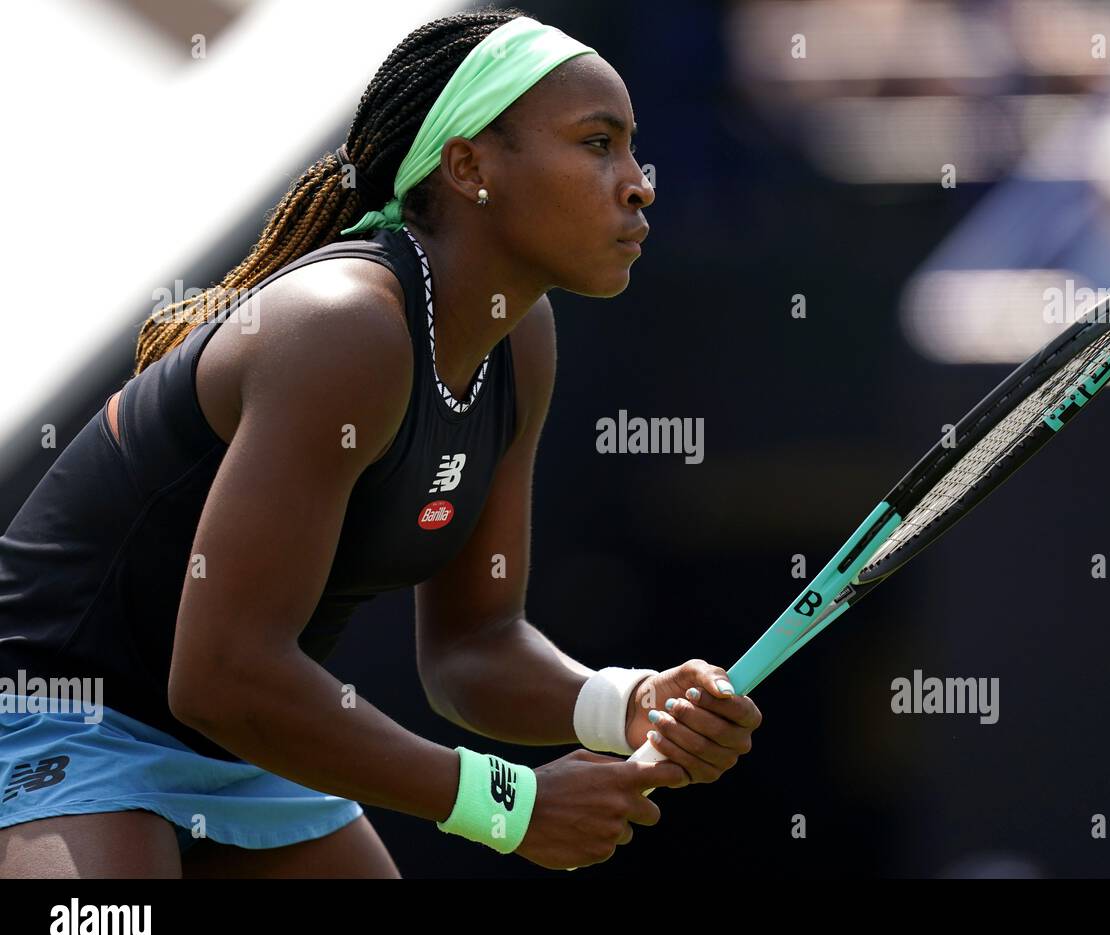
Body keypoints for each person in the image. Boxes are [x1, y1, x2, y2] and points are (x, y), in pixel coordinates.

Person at [0, 8, 761, 878]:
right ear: (468, 165)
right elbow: (220, 676)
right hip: (53, 717)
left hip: (245, 748)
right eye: (597, 144)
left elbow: (473, 649)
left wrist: (626, 701)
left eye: (630, 150)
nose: (639, 183)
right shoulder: (342, 328)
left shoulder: (520, 337)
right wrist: (507, 805)